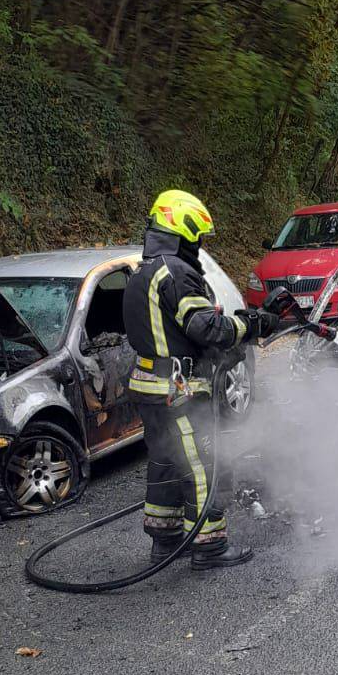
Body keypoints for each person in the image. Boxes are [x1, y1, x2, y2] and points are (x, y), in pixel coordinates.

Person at [123, 189, 276, 569]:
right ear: (186, 231)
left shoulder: (144, 271)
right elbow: (205, 328)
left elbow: (173, 330)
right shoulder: (176, 272)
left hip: (150, 387)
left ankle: (166, 540)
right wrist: (248, 324)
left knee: (165, 463)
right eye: (200, 238)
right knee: (203, 466)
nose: (200, 245)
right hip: (179, 392)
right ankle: (208, 547)